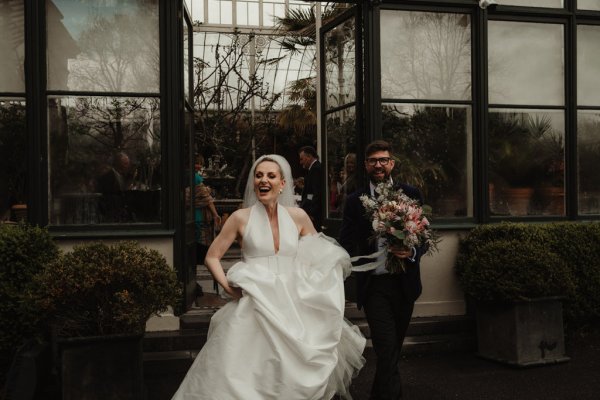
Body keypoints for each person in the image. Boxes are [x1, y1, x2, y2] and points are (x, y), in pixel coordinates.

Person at [172, 154, 366, 400]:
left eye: (271, 176)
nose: (263, 180)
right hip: (254, 306)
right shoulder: (240, 218)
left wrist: (317, 287)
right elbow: (212, 257)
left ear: (282, 184)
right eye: (259, 175)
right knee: (246, 374)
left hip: (292, 306)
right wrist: (228, 289)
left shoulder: (299, 217)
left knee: (288, 373)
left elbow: (320, 257)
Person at [339, 140, 425, 400]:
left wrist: (410, 252)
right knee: (386, 349)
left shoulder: (410, 193)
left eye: (383, 160)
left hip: (404, 283)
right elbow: (345, 240)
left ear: (391, 163)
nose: (378, 164)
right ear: (366, 165)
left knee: (393, 350)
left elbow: (424, 237)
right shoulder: (355, 201)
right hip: (374, 285)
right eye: (373, 160)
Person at [193, 155, 221, 264]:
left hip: (191, 213)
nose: (199, 166)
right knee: (200, 239)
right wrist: (215, 214)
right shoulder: (196, 177)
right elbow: (207, 198)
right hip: (199, 214)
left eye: (200, 164)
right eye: (197, 163)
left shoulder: (188, 176)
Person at [298, 145, 323, 231]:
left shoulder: (316, 169)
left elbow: (317, 193)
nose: (300, 162)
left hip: (314, 216)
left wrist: (312, 213)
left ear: (309, 156)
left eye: (302, 159)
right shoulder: (313, 169)